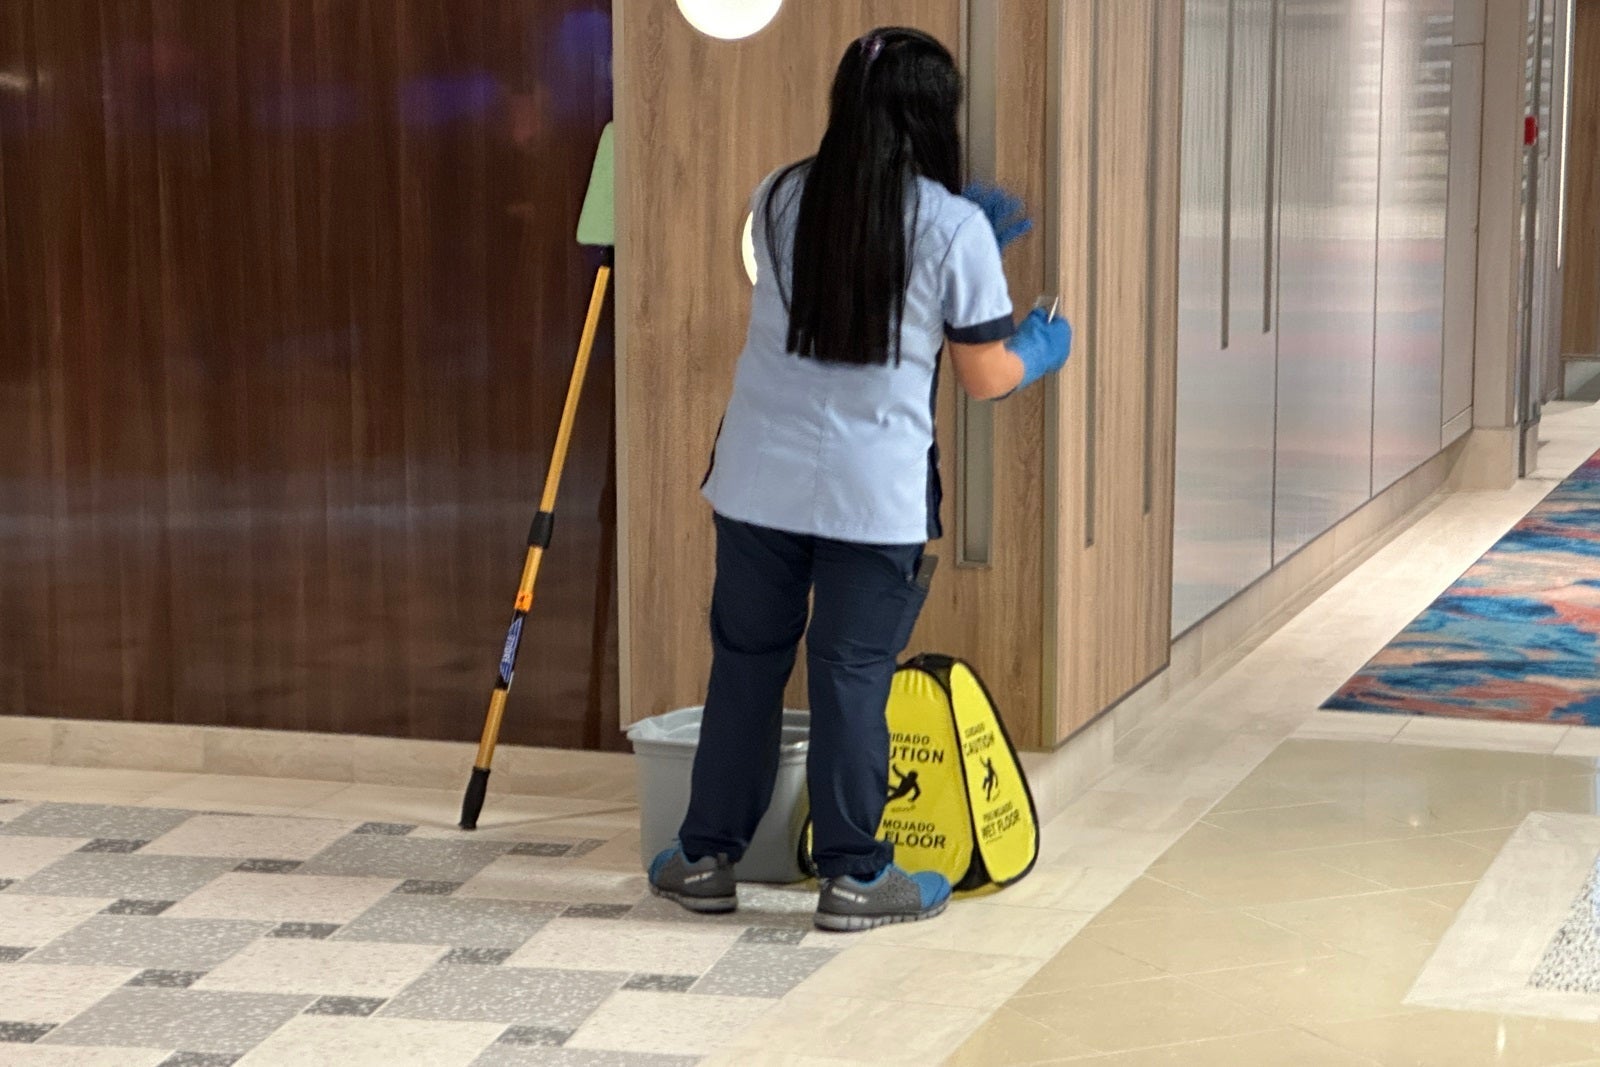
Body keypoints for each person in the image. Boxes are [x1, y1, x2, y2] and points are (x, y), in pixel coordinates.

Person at [649, 26, 1071, 932]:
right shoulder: (951, 225)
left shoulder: (781, 193)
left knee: (748, 665)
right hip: (869, 495)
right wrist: (1039, 343)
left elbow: (829, 277)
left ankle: (704, 858)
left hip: (757, 480)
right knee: (850, 674)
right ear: (934, 116)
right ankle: (854, 875)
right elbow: (986, 374)